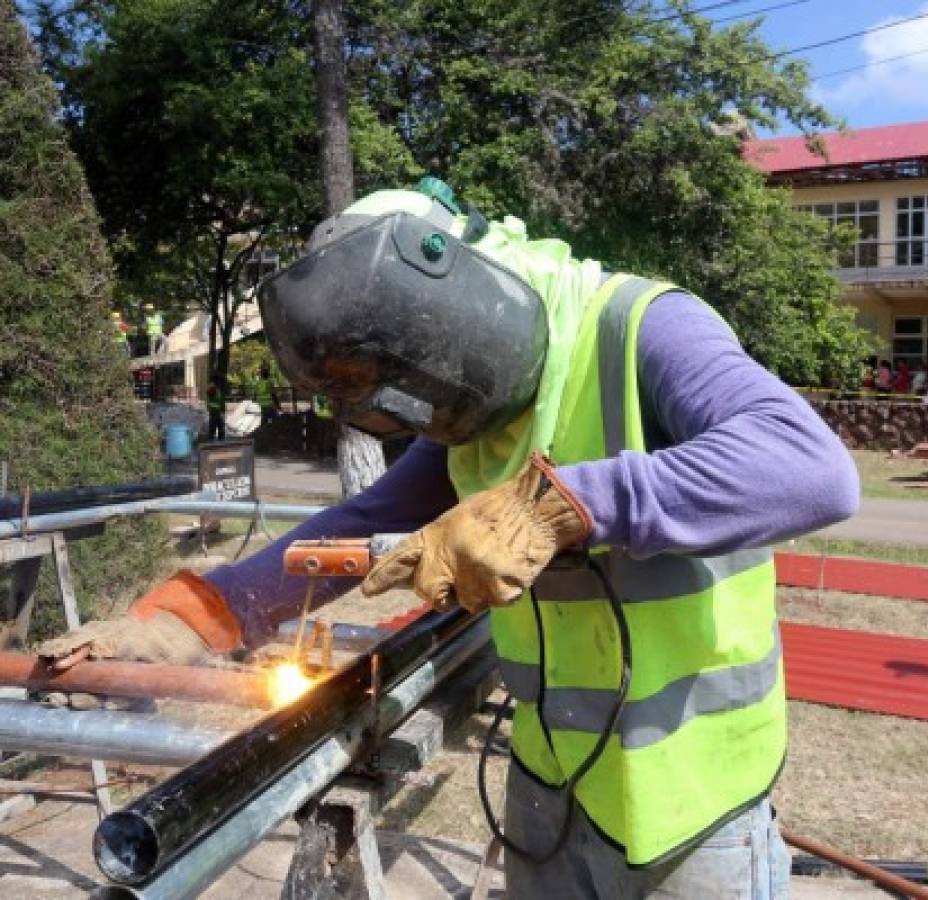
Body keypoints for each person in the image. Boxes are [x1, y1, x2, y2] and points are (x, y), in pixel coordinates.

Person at [39, 183, 859, 899]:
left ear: (461, 312)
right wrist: (196, 616)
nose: (421, 426)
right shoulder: (476, 407)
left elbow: (810, 468)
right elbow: (362, 520)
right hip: (551, 775)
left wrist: (559, 507)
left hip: (695, 795)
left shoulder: (640, 327)